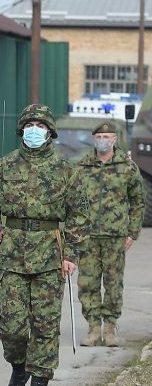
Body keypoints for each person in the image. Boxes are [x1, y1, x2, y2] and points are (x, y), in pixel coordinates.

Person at [0, 104, 88, 386]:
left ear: (50, 132)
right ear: (21, 130)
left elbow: (80, 214)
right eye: (29, 125)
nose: (34, 130)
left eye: (40, 126)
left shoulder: (66, 171)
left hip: (50, 255)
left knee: (45, 327)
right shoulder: (5, 166)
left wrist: (71, 254)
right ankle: (18, 369)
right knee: (12, 327)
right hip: (12, 253)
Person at [74, 121, 142, 346]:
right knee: (87, 283)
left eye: (107, 137)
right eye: (99, 137)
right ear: (93, 139)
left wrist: (132, 232)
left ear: (114, 139)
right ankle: (94, 328)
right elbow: (72, 201)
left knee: (113, 283)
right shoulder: (82, 166)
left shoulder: (127, 167)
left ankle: (110, 328)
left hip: (115, 236)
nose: (102, 140)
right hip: (88, 236)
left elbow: (138, 201)